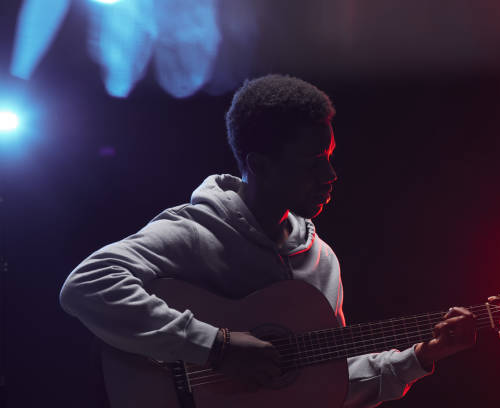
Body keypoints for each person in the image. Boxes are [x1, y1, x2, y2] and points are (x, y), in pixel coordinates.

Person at [59, 74, 476, 407]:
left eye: (329, 157)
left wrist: (420, 358)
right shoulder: (195, 230)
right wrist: (215, 347)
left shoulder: (321, 260)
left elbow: (325, 384)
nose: (330, 176)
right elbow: (86, 286)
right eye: (313, 163)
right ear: (260, 164)